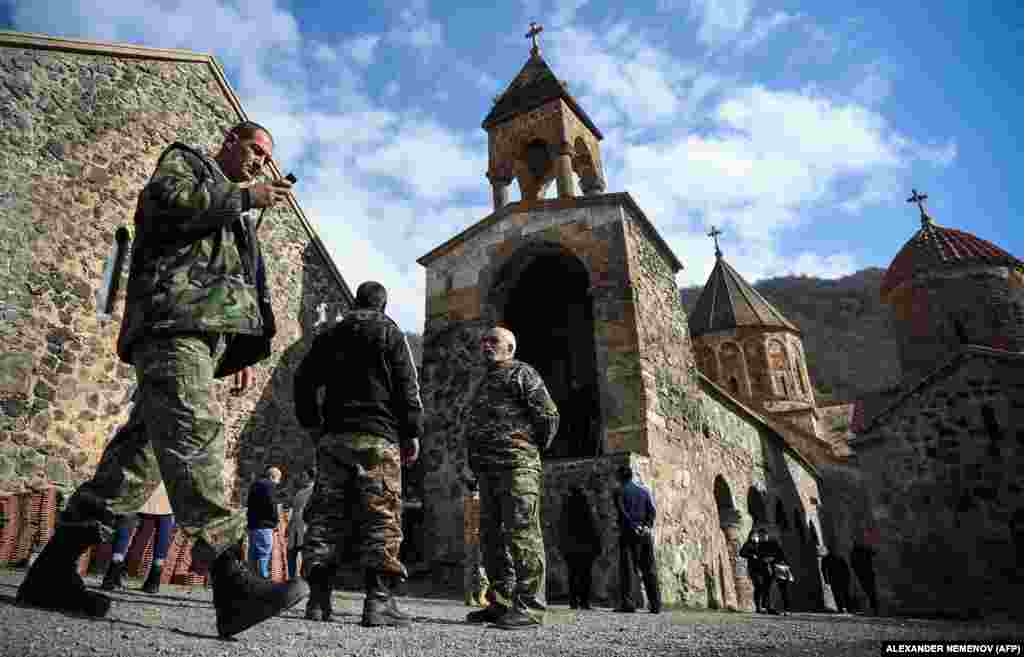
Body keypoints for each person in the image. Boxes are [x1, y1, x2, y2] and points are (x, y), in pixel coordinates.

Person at [16, 121, 308, 638]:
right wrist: (244, 196)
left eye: (268, 156)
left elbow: (230, 282)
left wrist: (236, 347)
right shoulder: (189, 165)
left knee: (136, 460)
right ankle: (230, 578)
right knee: (196, 435)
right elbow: (165, 204)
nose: (262, 160)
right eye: (255, 148)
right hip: (171, 323)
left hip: (200, 332)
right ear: (229, 140)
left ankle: (53, 568)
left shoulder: (235, 207)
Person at [294, 281, 423, 627]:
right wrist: (412, 432)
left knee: (325, 516)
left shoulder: (330, 335)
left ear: (355, 301)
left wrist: (312, 424)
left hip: (335, 437)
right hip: (378, 437)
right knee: (382, 516)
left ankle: (319, 601)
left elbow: (303, 380)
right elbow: (407, 385)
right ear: (384, 304)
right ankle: (378, 602)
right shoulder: (391, 335)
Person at [463, 326, 560, 630]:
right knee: (490, 537)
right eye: (485, 341)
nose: (486, 345)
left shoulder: (523, 373)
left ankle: (530, 607)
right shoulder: (483, 383)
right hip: (487, 472)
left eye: (494, 341)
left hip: (517, 467)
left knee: (522, 532)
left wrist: (527, 449)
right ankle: (501, 602)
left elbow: (548, 415)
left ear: (510, 348)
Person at [100, 482, 176, 594]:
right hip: (163, 490)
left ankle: (111, 576)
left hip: (138, 488)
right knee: (164, 525)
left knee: (125, 523)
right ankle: (153, 581)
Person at [613, 465, 661, 614]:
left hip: (628, 534)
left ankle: (628, 603)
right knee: (649, 569)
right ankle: (655, 604)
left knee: (628, 569)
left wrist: (634, 526)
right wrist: (646, 526)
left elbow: (622, 513)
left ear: (620, 477)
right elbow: (652, 511)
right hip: (645, 535)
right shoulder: (644, 491)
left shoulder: (619, 492)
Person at [561, 485, 600, 610]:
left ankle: (573, 601)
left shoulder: (567, 507)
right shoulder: (587, 506)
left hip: (570, 547)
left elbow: (562, 527)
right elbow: (594, 526)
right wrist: (597, 545)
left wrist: (561, 545)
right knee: (585, 575)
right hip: (586, 546)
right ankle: (584, 601)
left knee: (572, 574)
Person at [247, 466, 282, 579]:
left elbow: (249, 505)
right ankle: (263, 578)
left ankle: (251, 579)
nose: (278, 483)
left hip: (253, 526)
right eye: (278, 479)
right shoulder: (270, 485)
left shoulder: (254, 485)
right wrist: (276, 521)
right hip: (265, 525)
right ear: (273, 477)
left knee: (253, 554)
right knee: (264, 552)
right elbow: (272, 505)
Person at [287, 468, 316, 580]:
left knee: (305, 556)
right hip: (295, 528)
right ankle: (292, 579)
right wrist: (289, 527)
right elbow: (294, 511)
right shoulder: (300, 492)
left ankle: (303, 580)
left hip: (306, 528)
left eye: (304, 476)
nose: (302, 479)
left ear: (310, 477)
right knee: (291, 554)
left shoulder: (315, 491)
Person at [740, 528, 771, 613]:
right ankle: (758, 607)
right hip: (754, 569)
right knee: (758, 586)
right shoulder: (748, 544)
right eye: (754, 536)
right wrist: (751, 555)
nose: (755, 537)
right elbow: (742, 553)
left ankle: (766, 606)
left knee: (765, 587)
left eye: (756, 536)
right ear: (750, 536)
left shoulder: (761, 544)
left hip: (763, 568)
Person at [850, 542, 878, 615]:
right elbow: (873, 553)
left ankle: (872, 606)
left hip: (863, 574)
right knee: (870, 590)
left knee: (868, 590)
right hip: (866, 574)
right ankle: (873, 607)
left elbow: (853, 564)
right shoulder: (862, 553)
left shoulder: (856, 554)